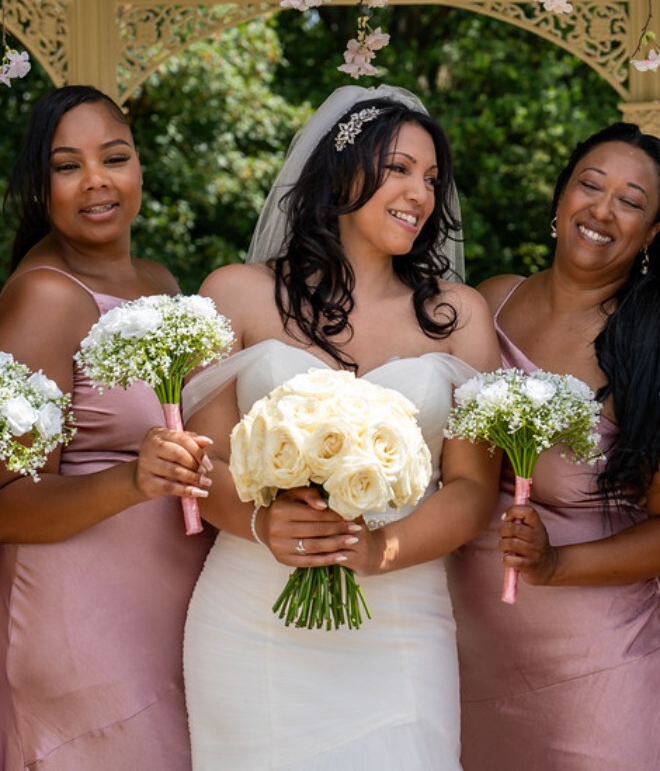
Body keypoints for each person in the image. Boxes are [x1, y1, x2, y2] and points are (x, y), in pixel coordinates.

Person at [181, 84, 502, 771]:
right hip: (252, 617)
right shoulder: (234, 293)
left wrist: (381, 549)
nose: (422, 192)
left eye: (433, 179)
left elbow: (474, 487)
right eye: (400, 169)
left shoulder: (461, 315)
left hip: (402, 619)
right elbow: (204, 465)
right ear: (341, 171)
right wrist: (266, 524)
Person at [0, 86, 215, 771]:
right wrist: (131, 479)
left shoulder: (159, 280)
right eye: (68, 166)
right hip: (82, 625)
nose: (96, 181)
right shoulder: (44, 297)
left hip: (174, 613)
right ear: (42, 185)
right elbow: (8, 500)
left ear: (139, 168)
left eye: (113, 157)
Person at [448, 123, 660, 771]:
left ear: (653, 233)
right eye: (590, 185)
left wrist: (554, 567)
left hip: (595, 669)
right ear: (560, 196)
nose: (601, 209)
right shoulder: (488, 302)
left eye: (631, 200)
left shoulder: (647, 346)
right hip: (468, 658)